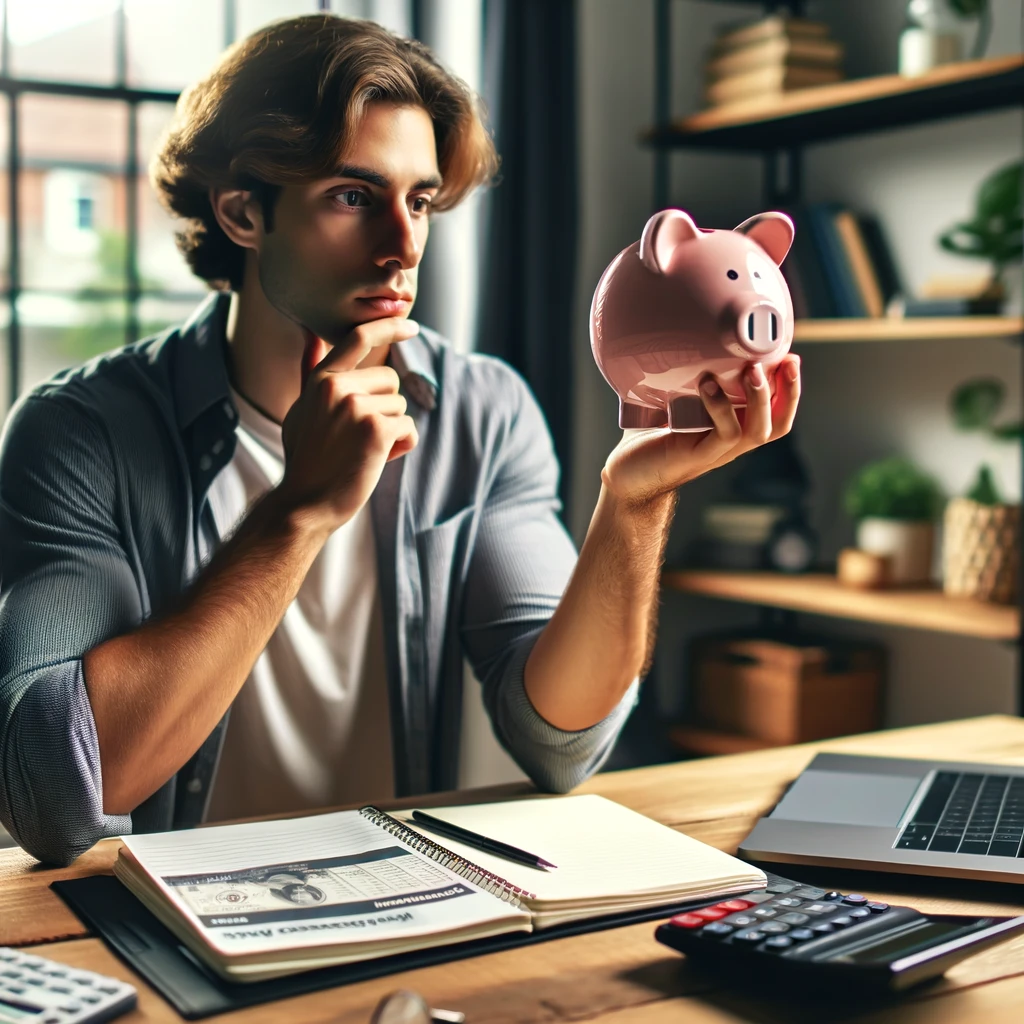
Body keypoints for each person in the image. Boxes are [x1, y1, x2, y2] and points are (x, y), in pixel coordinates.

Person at [0, 15, 801, 866]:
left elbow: (559, 739)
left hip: (399, 913)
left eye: (418, 200)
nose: (404, 243)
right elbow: (55, 798)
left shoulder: (483, 411)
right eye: (353, 197)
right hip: (165, 929)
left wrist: (634, 506)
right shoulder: (76, 433)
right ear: (242, 211)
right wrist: (299, 510)